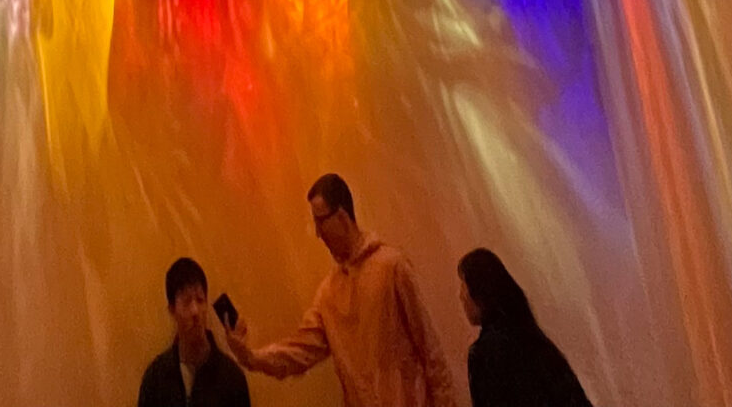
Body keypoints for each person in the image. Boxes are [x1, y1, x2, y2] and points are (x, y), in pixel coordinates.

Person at [225, 173, 456, 407]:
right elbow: (300, 351)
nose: (318, 233)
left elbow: (431, 351)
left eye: (320, 221)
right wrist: (251, 357)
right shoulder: (329, 294)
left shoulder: (391, 267)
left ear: (342, 217)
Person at [457, 249, 593, 407]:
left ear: (480, 293)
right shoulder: (533, 339)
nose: (461, 296)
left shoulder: (485, 354)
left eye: (464, 286)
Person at [138, 257, 252, 407]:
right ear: (172, 310)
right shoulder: (155, 378)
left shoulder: (231, 378)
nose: (195, 311)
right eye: (186, 302)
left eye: (200, 300)